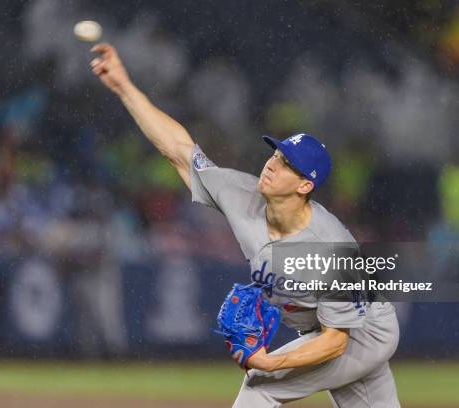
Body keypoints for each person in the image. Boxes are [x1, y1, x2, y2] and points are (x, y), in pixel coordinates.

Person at [90, 43, 400, 407]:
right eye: (275, 153)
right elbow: (178, 149)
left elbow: (336, 341)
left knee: (261, 385)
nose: (272, 163)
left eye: (286, 163)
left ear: (305, 186)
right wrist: (125, 87)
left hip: (361, 332)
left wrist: (271, 361)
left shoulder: (330, 247)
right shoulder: (241, 194)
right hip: (324, 328)